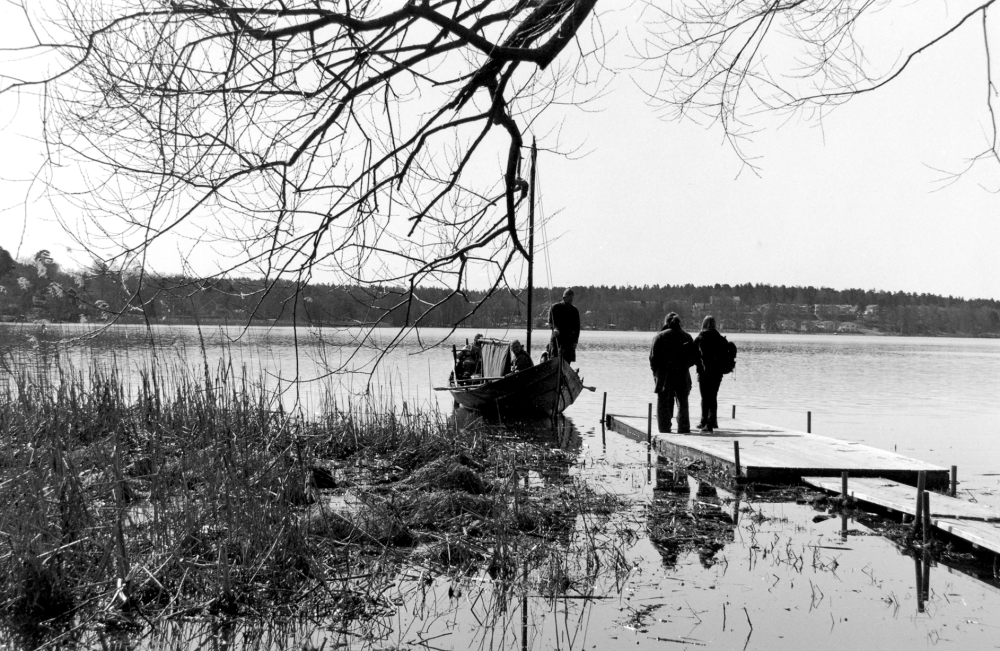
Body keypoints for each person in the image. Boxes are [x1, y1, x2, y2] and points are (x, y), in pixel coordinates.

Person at [649, 312, 695, 434]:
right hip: (682, 374)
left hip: (664, 375)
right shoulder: (687, 336)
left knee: (663, 401)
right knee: (683, 402)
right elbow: (693, 358)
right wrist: (684, 365)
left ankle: (664, 427)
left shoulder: (659, 337)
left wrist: (656, 372)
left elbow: (653, 358)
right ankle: (683, 427)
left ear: (666, 322)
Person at [694, 315, 727, 432]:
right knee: (713, 396)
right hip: (717, 373)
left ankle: (704, 421)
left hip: (703, 372)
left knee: (704, 397)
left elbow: (693, 352)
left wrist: (698, 364)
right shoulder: (720, 338)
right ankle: (712, 421)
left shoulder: (701, 336)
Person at [547, 288, 581, 363]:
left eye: (571, 300)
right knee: (554, 359)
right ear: (564, 298)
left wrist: (575, 341)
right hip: (557, 339)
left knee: (567, 362)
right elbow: (550, 322)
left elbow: (577, 328)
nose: (570, 302)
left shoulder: (574, 310)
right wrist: (555, 328)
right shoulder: (555, 308)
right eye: (568, 300)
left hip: (569, 342)